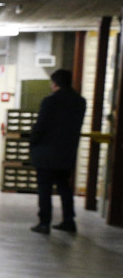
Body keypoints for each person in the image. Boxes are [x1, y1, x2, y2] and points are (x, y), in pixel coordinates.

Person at [29, 69, 87, 234]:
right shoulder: (80, 102)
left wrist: (33, 142)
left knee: (44, 189)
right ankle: (69, 220)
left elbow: (41, 126)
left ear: (54, 83)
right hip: (67, 152)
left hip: (46, 152)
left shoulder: (50, 101)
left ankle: (44, 222)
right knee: (64, 188)